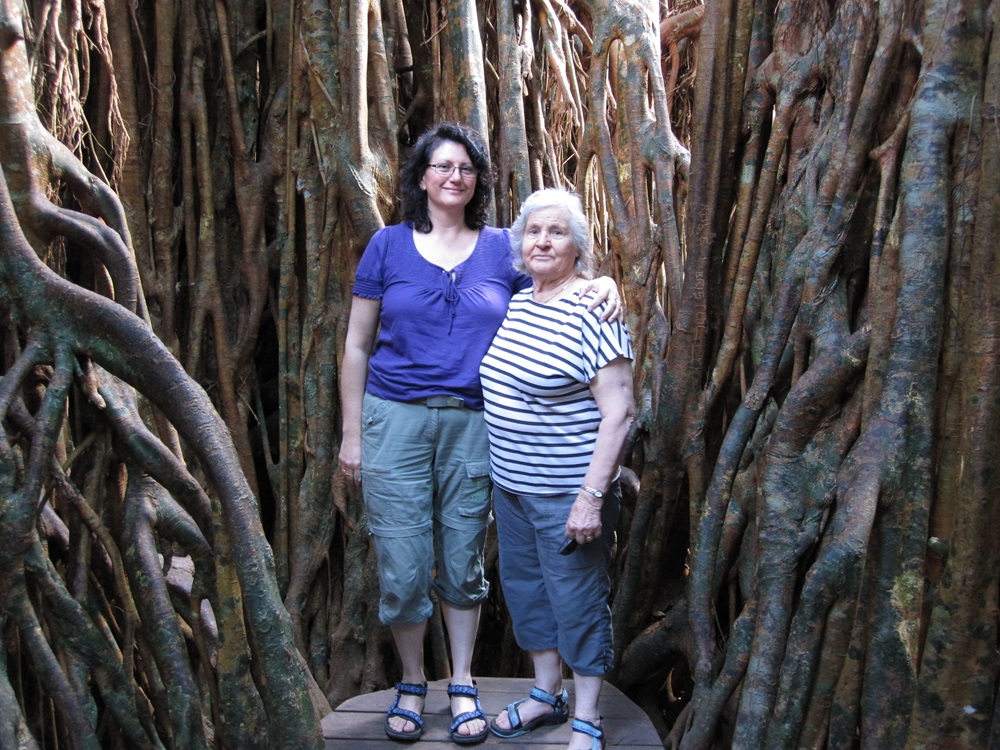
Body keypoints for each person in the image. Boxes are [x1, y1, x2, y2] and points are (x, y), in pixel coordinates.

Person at [338, 124, 622, 744]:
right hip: (394, 418)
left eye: (465, 168)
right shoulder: (387, 246)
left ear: (477, 181)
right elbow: (357, 345)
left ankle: (462, 682)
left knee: (465, 559)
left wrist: (605, 281)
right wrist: (352, 434)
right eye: (441, 166)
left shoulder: (503, 248)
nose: (454, 177)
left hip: (474, 423)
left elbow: (558, 284)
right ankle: (414, 681)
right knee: (403, 563)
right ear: (421, 177)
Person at [479, 188, 635, 750]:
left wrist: (592, 495)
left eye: (557, 232)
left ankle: (588, 716)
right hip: (513, 488)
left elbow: (620, 413)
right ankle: (547, 695)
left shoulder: (595, 308)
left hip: (568, 492)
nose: (542, 241)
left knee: (577, 599)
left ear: (578, 246)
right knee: (525, 591)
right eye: (533, 232)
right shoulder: (522, 298)